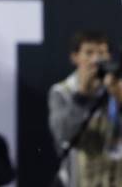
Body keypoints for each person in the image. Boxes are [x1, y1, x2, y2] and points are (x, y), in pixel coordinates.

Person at [49, 30, 122, 186]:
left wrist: (119, 99)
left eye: (102, 53)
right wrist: (81, 95)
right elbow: (63, 135)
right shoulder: (63, 91)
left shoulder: (116, 88)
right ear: (75, 57)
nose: (96, 60)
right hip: (79, 179)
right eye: (89, 53)